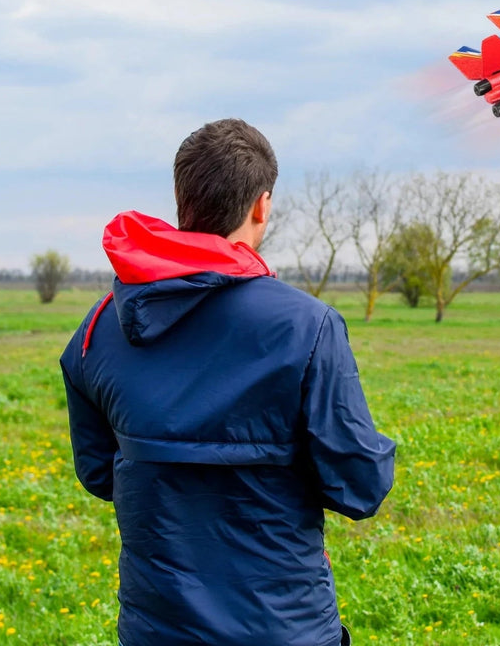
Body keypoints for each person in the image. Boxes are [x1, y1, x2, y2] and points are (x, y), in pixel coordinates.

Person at [60, 118, 396, 645]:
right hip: (283, 627)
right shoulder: (308, 326)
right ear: (262, 205)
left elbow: (100, 474)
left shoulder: (97, 328)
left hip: (156, 628)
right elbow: (359, 487)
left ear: (181, 200)